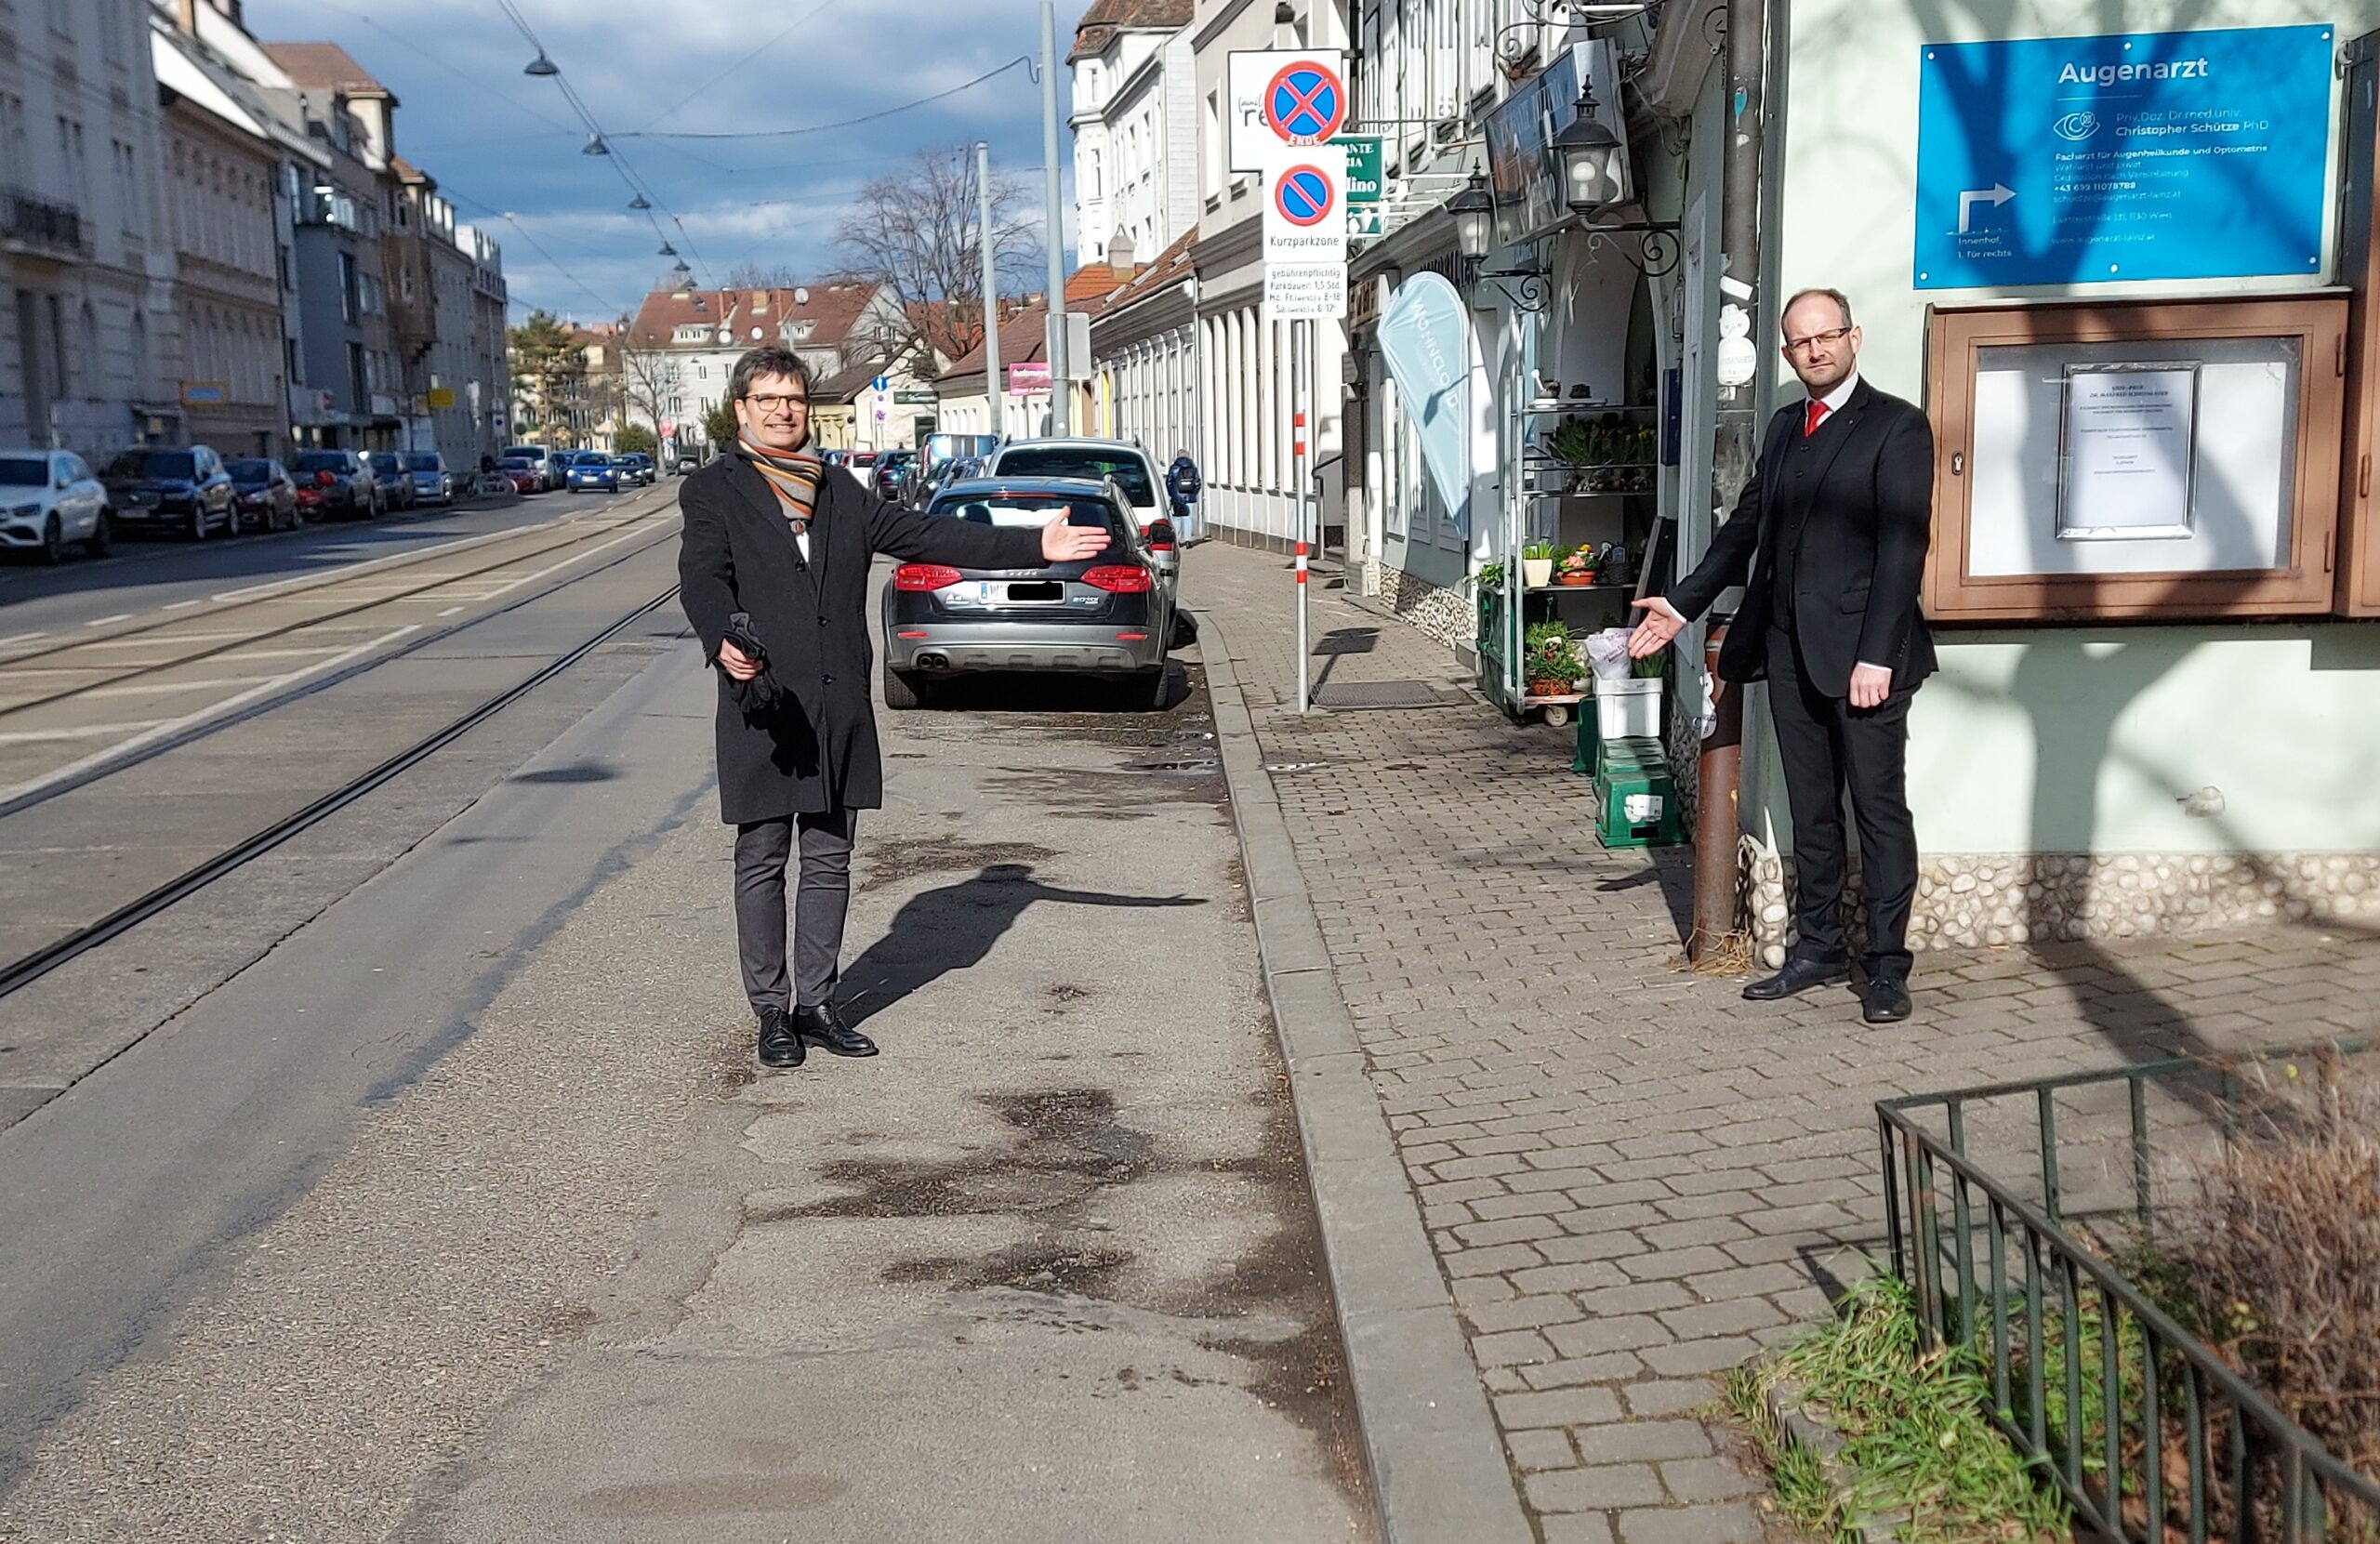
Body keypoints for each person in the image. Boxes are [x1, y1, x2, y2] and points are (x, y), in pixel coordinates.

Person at [678, 346, 1112, 1070]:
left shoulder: (840, 490)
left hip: (836, 698)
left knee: (829, 855)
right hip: (765, 701)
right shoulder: (713, 490)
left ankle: (817, 1003)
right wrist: (724, 636)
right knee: (762, 857)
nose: (783, 410)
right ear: (741, 410)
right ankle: (771, 1011)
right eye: (768, 399)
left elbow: (930, 534)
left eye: (793, 398)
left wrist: (1038, 543)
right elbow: (701, 577)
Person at [1626, 287, 1935, 1025]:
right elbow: (1746, 527)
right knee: (1812, 810)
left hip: (1867, 661)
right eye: (1800, 342)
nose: (1814, 350)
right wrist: (1683, 600)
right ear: (1789, 353)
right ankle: (1820, 947)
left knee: (1878, 810)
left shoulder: (1897, 427)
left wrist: (1877, 657)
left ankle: (1887, 966)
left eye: (1826, 336)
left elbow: (1902, 548)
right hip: (1792, 652)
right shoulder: (1784, 427)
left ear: (1854, 337)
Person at [1165, 450, 1202, 542]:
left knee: (1177, 518)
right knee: (1188, 518)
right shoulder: (1193, 468)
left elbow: (1169, 482)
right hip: (1190, 497)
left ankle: (1177, 539)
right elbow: (1197, 483)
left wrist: (1172, 494)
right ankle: (1187, 539)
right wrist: (1193, 493)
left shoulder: (1174, 468)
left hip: (1177, 498)